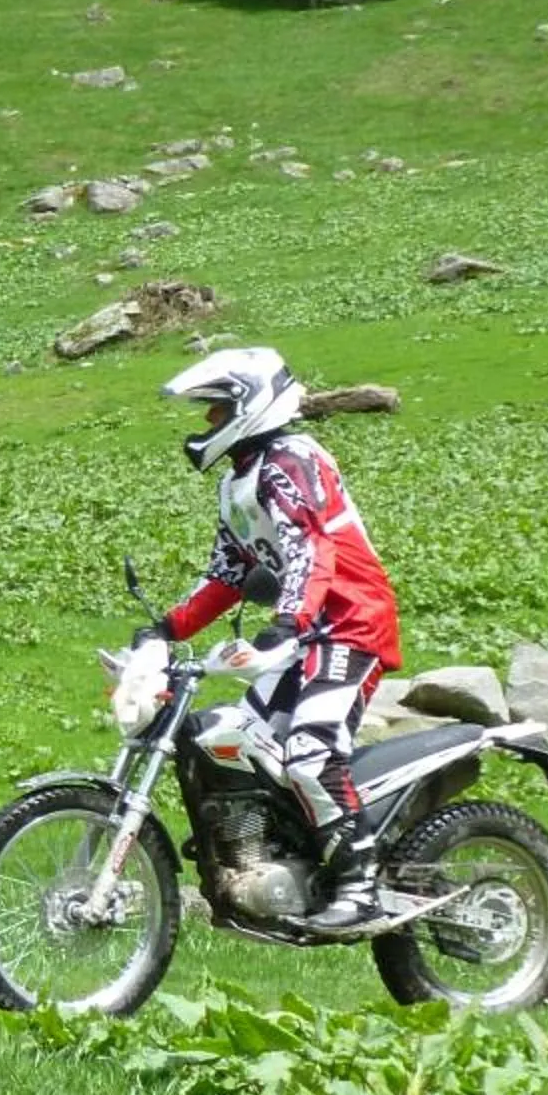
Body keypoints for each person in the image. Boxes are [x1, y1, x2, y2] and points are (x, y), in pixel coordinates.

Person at [145, 347, 405, 932]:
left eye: (215, 412)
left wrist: (288, 619)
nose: (206, 424)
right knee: (236, 743)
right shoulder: (240, 480)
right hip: (301, 635)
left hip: (348, 626)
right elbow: (228, 574)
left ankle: (360, 883)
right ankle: (280, 862)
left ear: (248, 407)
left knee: (311, 750)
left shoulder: (291, 459)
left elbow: (311, 549)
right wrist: (167, 628)